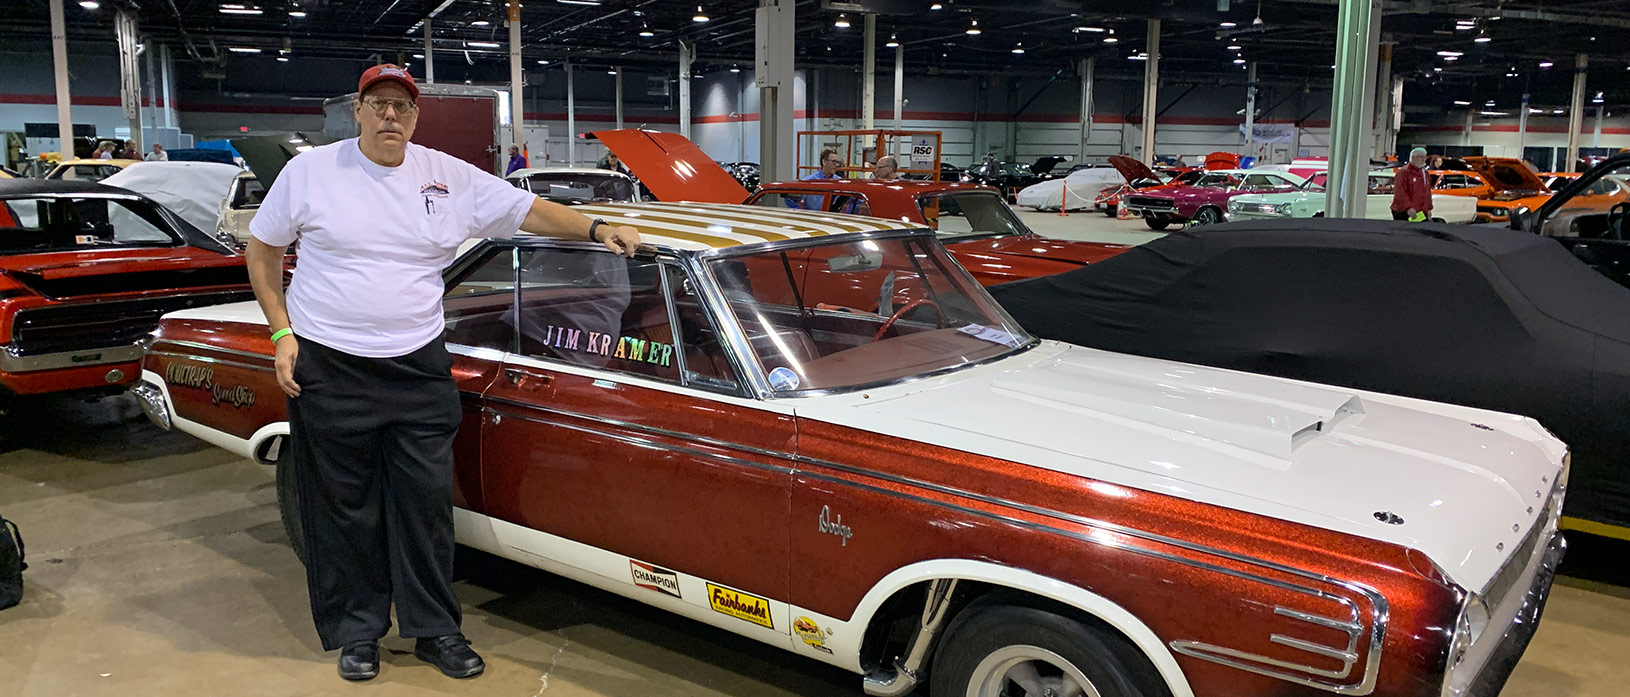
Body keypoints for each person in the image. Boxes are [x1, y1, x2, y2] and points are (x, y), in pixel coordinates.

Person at [243, 64, 640, 683]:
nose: (390, 116)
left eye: (402, 106)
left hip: (417, 363)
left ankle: (435, 629)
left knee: (424, 504)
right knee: (346, 507)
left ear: (416, 116)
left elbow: (528, 210)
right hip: (331, 363)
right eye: (378, 104)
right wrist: (281, 332)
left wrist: (597, 226)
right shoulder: (310, 173)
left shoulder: (445, 175)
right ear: (358, 111)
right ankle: (358, 632)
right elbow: (262, 251)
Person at [1391, 147, 1433, 222]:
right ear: (1413, 158)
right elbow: (1400, 193)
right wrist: (1408, 208)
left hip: (1420, 212)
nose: (1423, 159)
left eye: (1424, 157)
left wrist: (1428, 208)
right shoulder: (1403, 172)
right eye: (1421, 157)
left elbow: (1427, 192)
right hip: (1404, 211)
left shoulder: (1425, 173)